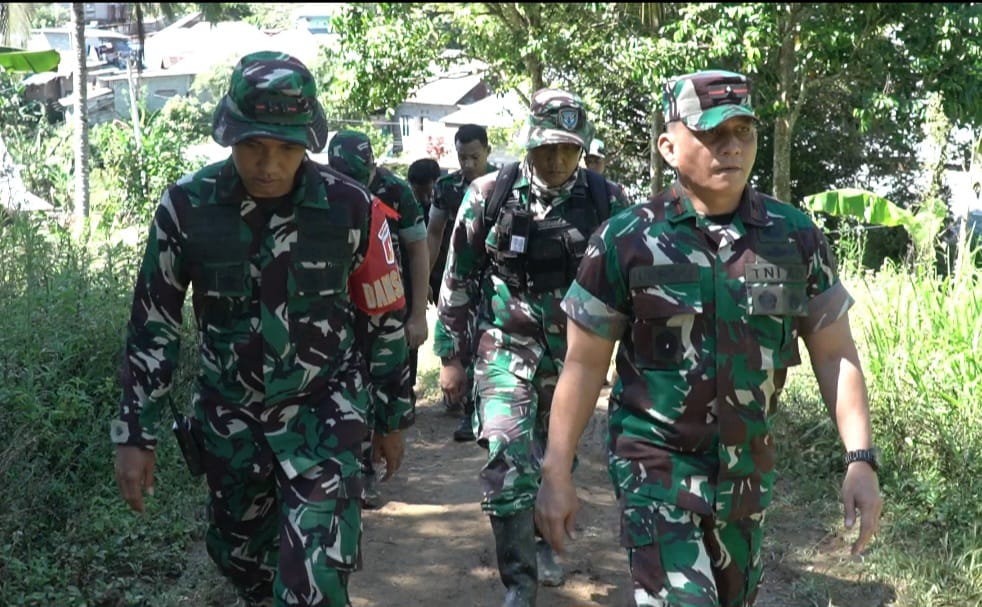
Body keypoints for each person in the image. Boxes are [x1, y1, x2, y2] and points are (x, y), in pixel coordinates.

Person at [535, 69, 883, 607]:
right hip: (655, 471)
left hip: (747, 477)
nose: (732, 147)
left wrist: (860, 457)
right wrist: (556, 471)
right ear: (669, 146)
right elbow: (582, 367)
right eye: (712, 133)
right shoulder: (626, 240)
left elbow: (835, 355)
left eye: (743, 131)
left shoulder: (794, 237)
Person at [111, 51, 414, 607]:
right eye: (253, 146)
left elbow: (384, 319)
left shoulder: (353, 210)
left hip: (326, 415)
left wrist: (392, 417)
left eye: (286, 148)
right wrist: (136, 432)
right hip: (231, 425)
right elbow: (153, 327)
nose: (269, 164)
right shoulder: (186, 208)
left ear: (308, 142)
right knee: (244, 566)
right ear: (229, 136)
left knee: (312, 587)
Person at [436, 88, 629, 606]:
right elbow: (457, 276)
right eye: (548, 148)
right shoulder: (489, 195)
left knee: (554, 458)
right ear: (529, 142)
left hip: (575, 361)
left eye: (570, 150)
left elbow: (629, 288)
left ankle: (542, 540)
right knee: (507, 460)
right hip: (505, 348)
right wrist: (450, 357)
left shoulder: (608, 201)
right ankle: (519, 583)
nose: (558, 160)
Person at [326, 129, 429, 508]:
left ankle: (369, 463)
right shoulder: (323, 188)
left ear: (373, 168)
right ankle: (354, 465)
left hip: (385, 297)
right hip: (340, 303)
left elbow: (417, 250)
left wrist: (418, 315)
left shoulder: (396, 191)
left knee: (383, 374)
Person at [426, 123, 497, 441]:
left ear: (487, 152)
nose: (468, 164)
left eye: (474, 157)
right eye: (462, 157)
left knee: (491, 345)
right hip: (459, 277)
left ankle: (489, 411)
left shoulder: (505, 183)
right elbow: (433, 232)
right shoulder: (446, 187)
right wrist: (426, 277)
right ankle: (469, 414)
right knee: (460, 346)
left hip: (497, 279)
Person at [407, 157, 442, 222]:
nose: (425, 199)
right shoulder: (406, 207)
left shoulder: (444, 206)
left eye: (427, 195)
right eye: (418, 195)